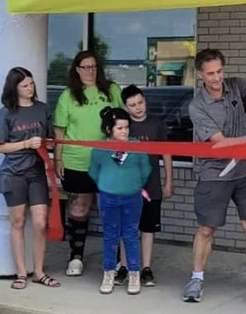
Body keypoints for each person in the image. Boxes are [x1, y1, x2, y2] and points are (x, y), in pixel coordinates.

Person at [182, 48, 246, 311]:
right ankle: (196, 279)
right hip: (214, 174)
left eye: (219, 71)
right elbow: (219, 143)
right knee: (206, 229)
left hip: (245, 172)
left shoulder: (235, 85)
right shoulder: (197, 106)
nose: (216, 78)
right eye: (210, 74)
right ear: (200, 75)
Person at [53, 51, 124, 277]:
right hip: (77, 161)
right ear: (77, 70)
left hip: (109, 161)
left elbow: (124, 120)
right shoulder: (68, 95)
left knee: (110, 209)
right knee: (78, 208)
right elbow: (59, 131)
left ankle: (113, 259)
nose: (90, 71)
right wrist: (58, 157)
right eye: (85, 67)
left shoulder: (112, 90)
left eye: (93, 66)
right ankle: (76, 256)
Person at [0, 67, 60, 290]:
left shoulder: (42, 109)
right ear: (15, 88)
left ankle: (39, 272)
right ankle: (21, 273)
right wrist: (25, 144)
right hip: (13, 174)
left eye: (31, 84)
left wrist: (49, 144)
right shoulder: (6, 112)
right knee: (18, 222)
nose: (30, 88)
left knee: (41, 223)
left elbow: (50, 140)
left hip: (37, 172)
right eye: (24, 85)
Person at [114, 84, 174, 287]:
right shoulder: (123, 126)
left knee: (148, 228)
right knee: (126, 228)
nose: (138, 107)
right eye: (132, 105)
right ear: (126, 106)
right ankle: (124, 266)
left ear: (145, 101)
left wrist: (169, 180)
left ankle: (146, 268)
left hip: (151, 185)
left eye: (140, 103)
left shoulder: (156, 124)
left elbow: (166, 153)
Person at [89, 107, 151, 295]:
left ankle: (134, 273)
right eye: (119, 128)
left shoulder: (137, 146)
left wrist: (133, 185)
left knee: (131, 235)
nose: (124, 131)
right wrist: (107, 184)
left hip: (132, 197)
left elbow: (145, 169)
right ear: (109, 130)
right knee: (110, 236)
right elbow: (93, 171)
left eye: (126, 127)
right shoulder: (100, 149)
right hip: (108, 197)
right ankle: (109, 272)